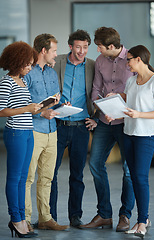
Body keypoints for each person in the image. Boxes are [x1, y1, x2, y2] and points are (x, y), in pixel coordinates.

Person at [81, 27, 135, 231]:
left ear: (111, 46)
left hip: (126, 123)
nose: (98, 51)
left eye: (100, 47)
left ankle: (125, 216)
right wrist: (98, 111)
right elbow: (96, 88)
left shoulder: (132, 60)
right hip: (104, 121)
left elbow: (136, 91)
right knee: (95, 164)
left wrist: (120, 106)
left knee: (129, 171)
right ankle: (104, 214)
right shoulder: (101, 62)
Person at [49, 29, 97, 228]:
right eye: (78, 47)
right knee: (50, 173)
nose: (82, 51)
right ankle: (49, 216)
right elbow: (47, 87)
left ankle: (75, 216)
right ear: (70, 46)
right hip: (58, 125)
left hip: (81, 128)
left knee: (77, 175)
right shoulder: (57, 62)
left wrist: (97, 118)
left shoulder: (93, 65)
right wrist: (55, 105)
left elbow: (100, 91)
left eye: (85, 47)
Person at [24, 34, 68, 231]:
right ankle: (24, 220)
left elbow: (53, 98)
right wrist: (43, 113)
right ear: (43, 51)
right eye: (54, 51)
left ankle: (45, 218)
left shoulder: (51, 73)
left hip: (52, 131)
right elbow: (21, 105)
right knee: (28, 178)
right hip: (33, 131)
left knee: (47, 178)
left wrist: (59, 105)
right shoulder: (27, 73)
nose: (56, 55)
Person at [0, 41, 41, 238]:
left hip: (27, 132)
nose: (30, 67)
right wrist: (26, 109)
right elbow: (1, 110)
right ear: (17, 62)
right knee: (15, 178)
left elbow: (22, 107)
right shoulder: (6, 81)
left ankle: (22, 219)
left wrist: (38, 107)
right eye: (27, 64)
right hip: (15, 132)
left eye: (31, 64)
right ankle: (15, 219)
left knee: (23, 179)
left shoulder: (22, 81)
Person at [119, 45, 154, 237]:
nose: (127, 63)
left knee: (141, 178)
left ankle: (142, 221)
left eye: (129, 59)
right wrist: (114, 108)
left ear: (139, 59)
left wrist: (139, 114)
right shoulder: (131, 81)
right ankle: (143, 218)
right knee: (134, 177)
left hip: (146, 136)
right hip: (129, 133)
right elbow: (126, 106)